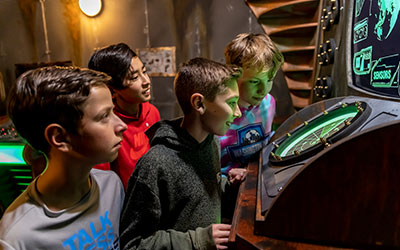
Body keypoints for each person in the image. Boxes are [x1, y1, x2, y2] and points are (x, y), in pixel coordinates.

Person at [120, 57, 246, 250]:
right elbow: (133, 244)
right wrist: (198, 240)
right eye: (231, 103)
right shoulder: (155, 165)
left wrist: (227, 186)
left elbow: (197, 196)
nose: (238, 112)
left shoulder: (211, 141)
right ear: (199, 103)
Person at [0, 66, 127, 249]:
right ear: (59, 137)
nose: (122, 125)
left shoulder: (112, 187)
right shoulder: (17, 238)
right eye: (104, 116)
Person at [88, 43, 161, 189]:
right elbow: (102, 182)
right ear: (112, 88)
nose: (146, 81)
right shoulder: (106, 125)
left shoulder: (152, 112)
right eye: (134, 78)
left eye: (144, 72)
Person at [219, 33, 284, 176]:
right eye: (254, 82)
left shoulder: (268, 102)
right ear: (233, 74)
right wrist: (225, 175)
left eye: (269, 80)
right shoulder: (218, 111)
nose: (263, 90)